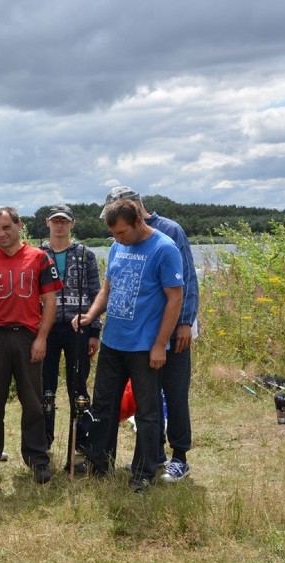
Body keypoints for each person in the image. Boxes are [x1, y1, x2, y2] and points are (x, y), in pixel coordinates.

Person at [76, 199, 183, 492]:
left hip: (145, 346)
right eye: (113, 234)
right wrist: (91, 315)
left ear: (138, 222)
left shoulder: (164, 248)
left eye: (122, 233)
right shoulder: (116, 247)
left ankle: (143, 473)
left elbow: (175, 299)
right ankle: (100, 465)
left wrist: (161, 344)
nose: (117, 239)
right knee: (103, 407)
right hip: (113, 342)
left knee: (147, 412)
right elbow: (107, 288)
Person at [100, 186, 199, 482]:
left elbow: (186, 281)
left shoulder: (170, 232)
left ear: (133, 208)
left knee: (175, 391)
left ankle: (179, 456)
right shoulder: (124, 239)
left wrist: (185, 323)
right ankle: (153, 455)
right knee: (149, 397)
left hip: (174, 330)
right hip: (141, 336)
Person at [0, 207, 62, 484]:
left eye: (6, 227)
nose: (1, 234)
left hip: (28, 336)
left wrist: (42, 338)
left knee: (32, 400)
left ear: (19, 225)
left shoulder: (39, 258)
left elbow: (51, 301)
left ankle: (37, 458)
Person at [39, 205, 101, 469]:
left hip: (79, 328)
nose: (60, 226)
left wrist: (94, 330)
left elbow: (97, 293)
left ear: (72, 224)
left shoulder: (86, 254)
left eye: (64, 221)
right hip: (47, 329)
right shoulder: (38, 254)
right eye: (55, 221)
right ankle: (44, 442)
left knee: (79, 389)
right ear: (48, 223)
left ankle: (80, 445)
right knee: (46, 389)